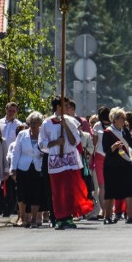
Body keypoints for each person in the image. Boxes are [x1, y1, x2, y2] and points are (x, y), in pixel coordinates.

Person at [39, 96, 93, 230]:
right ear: (58, 107)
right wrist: (56, 143)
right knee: (57, 191)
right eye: (65, 105)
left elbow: (75, 141)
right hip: (56, 162)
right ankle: (59, 218)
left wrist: (66, 126)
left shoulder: (71, 121)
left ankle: (69, 217)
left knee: (70, 190)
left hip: (70, 162)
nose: (68, 108)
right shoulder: (47, 123)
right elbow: (42, 144)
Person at [101, 107, 132, 224]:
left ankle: (130, 217)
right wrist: (114, 147)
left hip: (125, 164)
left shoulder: (125, 131)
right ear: (113, 119)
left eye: (123, 117)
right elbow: (106, 150)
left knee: (129, 190)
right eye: (119, 117)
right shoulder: (107, 132)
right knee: (110, 191)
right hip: (112, 165)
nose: (122, 120)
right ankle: (107, 217)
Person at [10, 112, 45, 227]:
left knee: (36, 193)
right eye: (32, 122)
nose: (34, 125)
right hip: (22, 166)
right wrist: (13, 168)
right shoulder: (22, 134)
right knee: (21, 192)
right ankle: (22, 217)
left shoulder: (44, 135)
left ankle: (34, 219)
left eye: (37, 123)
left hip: (37, 167)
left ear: (41, 124)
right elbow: (16, 151)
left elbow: (47, 149)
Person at [92, 106, 111, 220]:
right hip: (111, 156)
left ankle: (103, 210)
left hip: (99, 156)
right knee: (110, 185)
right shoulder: (113, 125)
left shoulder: (97, 126)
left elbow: (94, 143)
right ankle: (108, 210)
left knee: (102, 186)